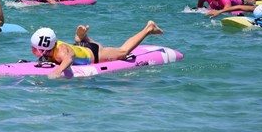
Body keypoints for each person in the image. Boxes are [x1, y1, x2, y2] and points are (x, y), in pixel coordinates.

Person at [30, 21, 164, 79]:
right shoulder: (50, 49)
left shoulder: (61, 50)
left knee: (123, 51)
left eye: (35, 49)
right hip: (82, 49)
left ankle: (148, 29)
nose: (32, 50)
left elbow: (68, 59)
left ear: (44, 48)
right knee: (80, 46)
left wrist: (58, 71)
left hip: (94, 54)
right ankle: (83, 39)